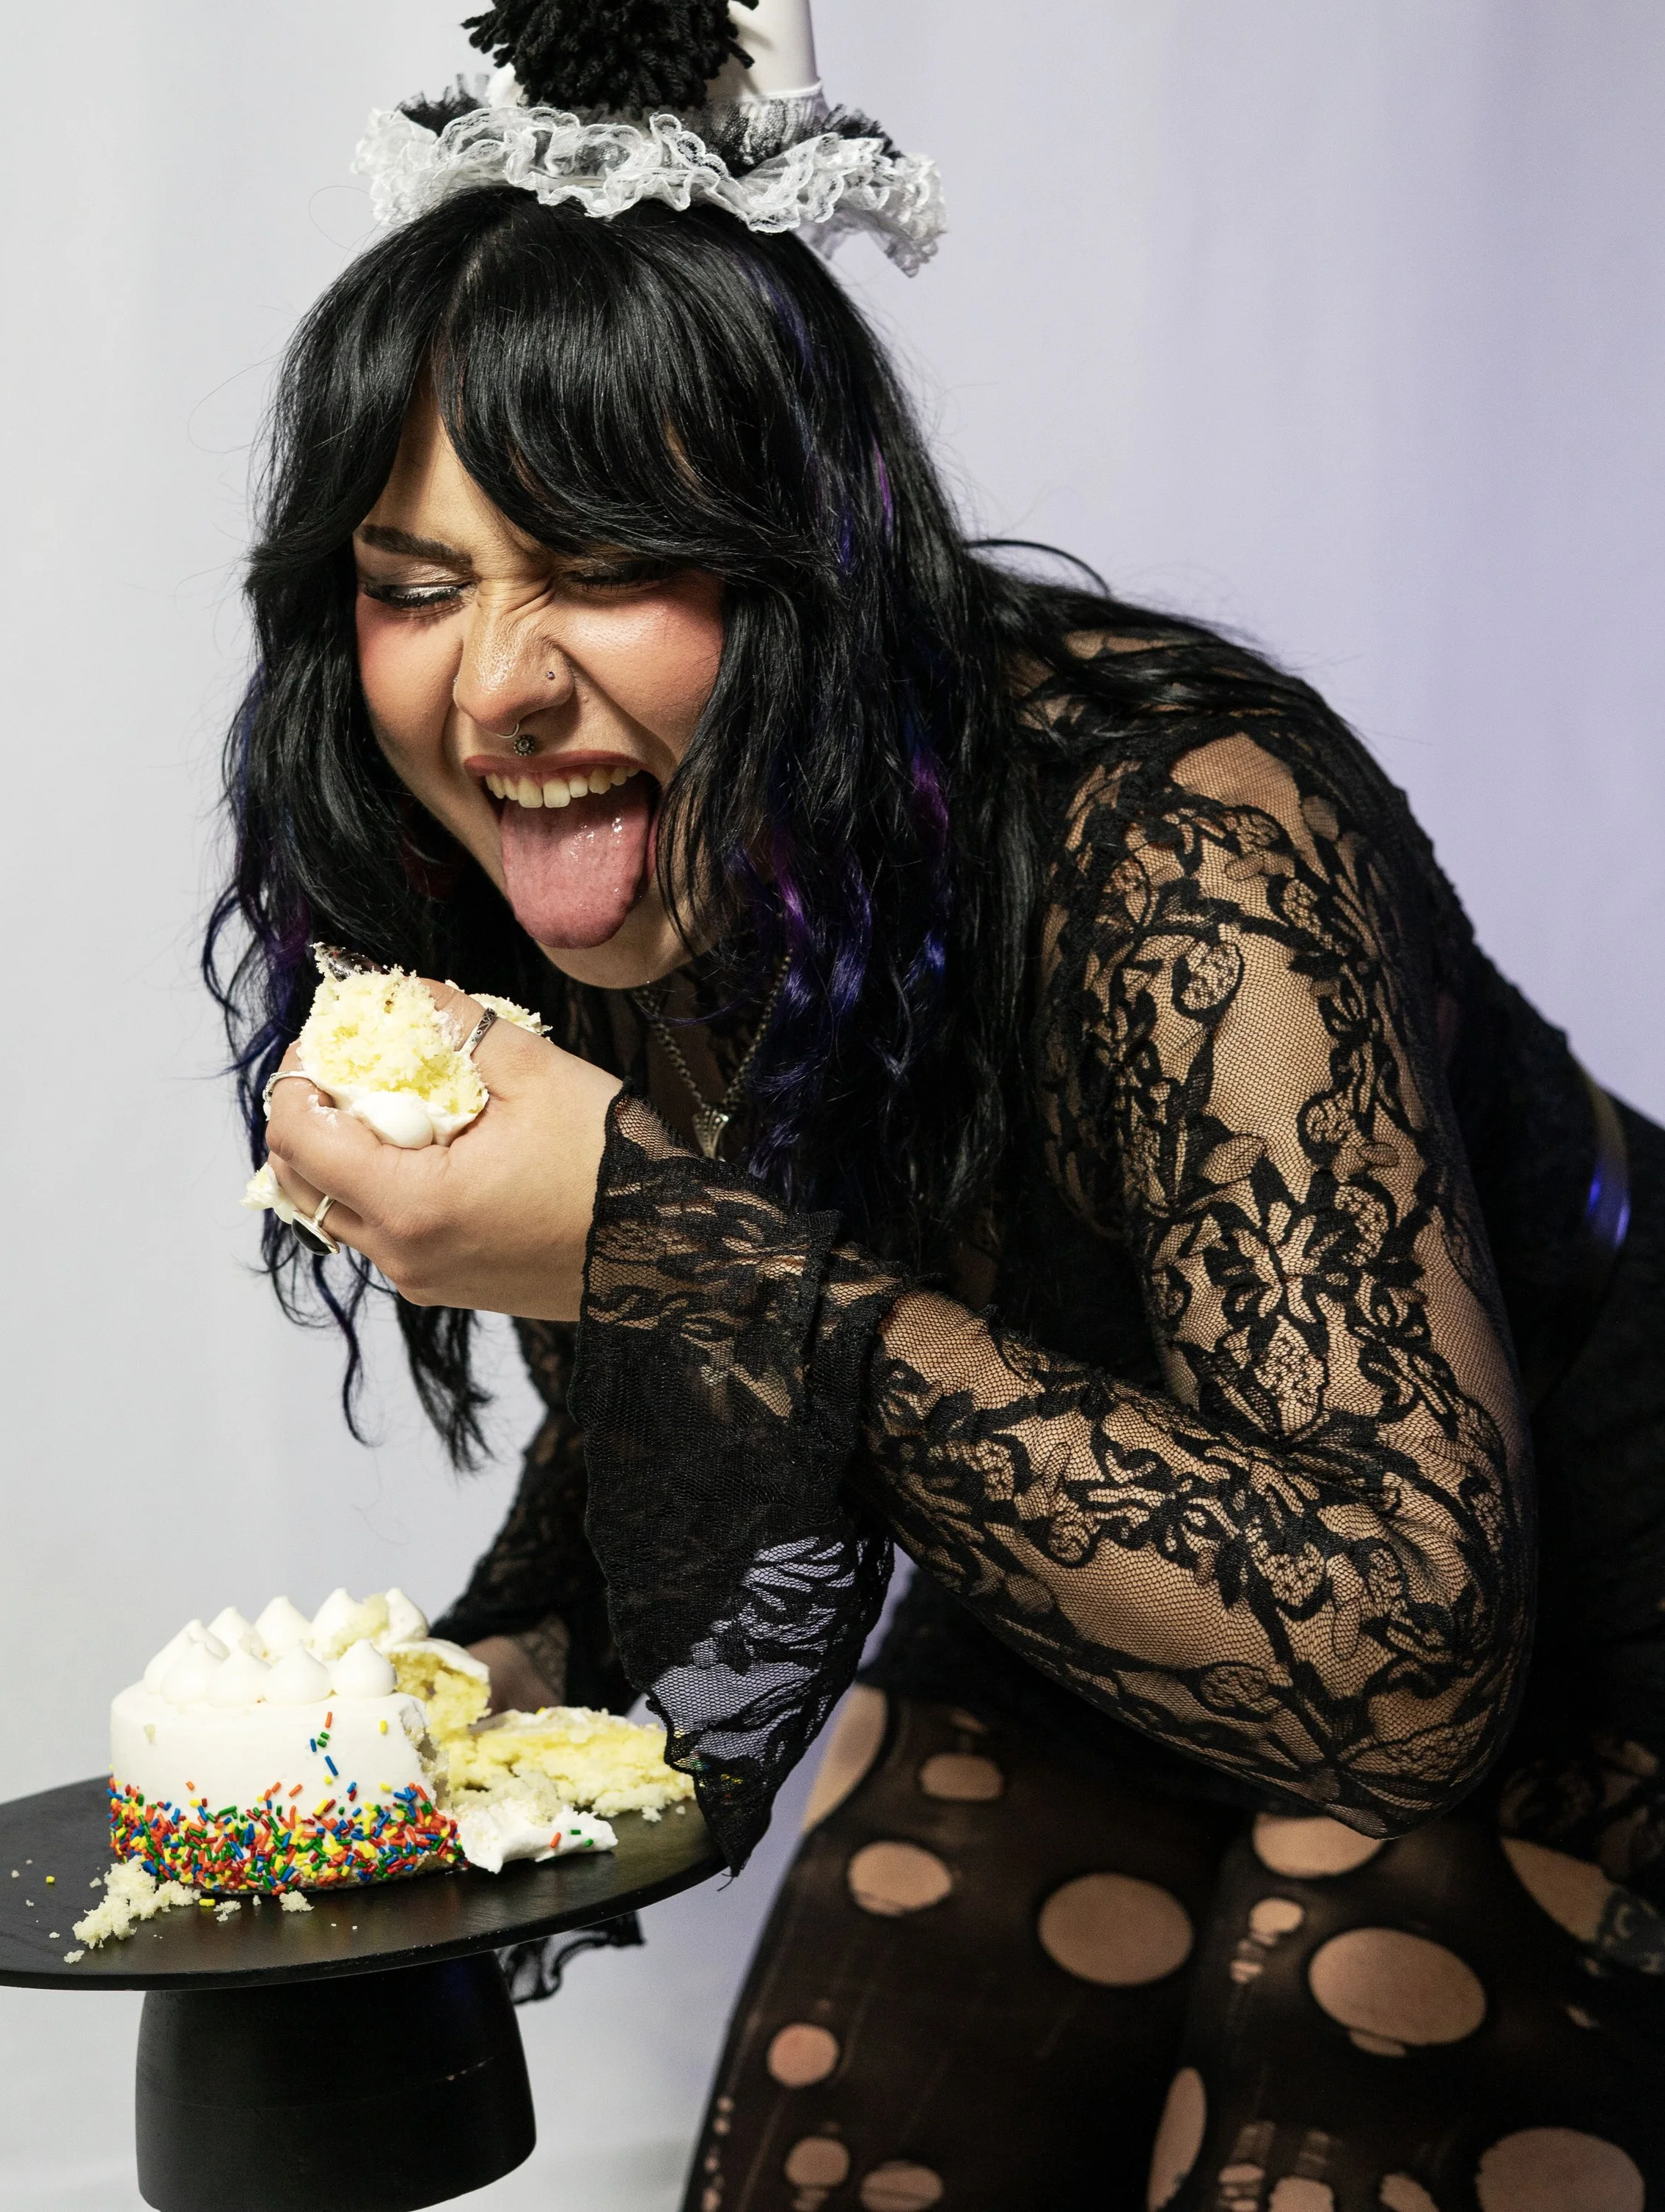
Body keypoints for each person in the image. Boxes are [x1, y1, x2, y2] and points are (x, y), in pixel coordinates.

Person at [209, 180, 1665, 2211]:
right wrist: (428, 1725)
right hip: (1093, 1598)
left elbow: (1398, 1661)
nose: (494, 692)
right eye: (416, 581)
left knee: (1329, 2033)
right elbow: (705, 1492)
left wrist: (667, 1245)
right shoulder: (579, 888)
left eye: (602, 565)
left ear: (811, 562)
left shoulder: (1180, 831)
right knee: (851, 2143)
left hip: (1558, 1607)